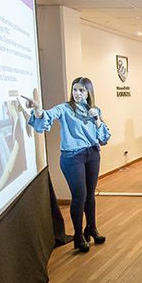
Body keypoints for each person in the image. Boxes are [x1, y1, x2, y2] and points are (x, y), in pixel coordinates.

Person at [25, 78, 111, 252]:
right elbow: (48, 116)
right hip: (73, 157)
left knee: (90, 195)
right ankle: (78, 236)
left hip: (92, 154)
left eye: (81, 91)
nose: (77, 94)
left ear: (88, 93)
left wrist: (98, 121)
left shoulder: (94, 110)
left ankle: (91, 229)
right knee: (80, 195)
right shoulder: (64, 108)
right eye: (74, 90)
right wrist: (39, 111)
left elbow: (104, 138)